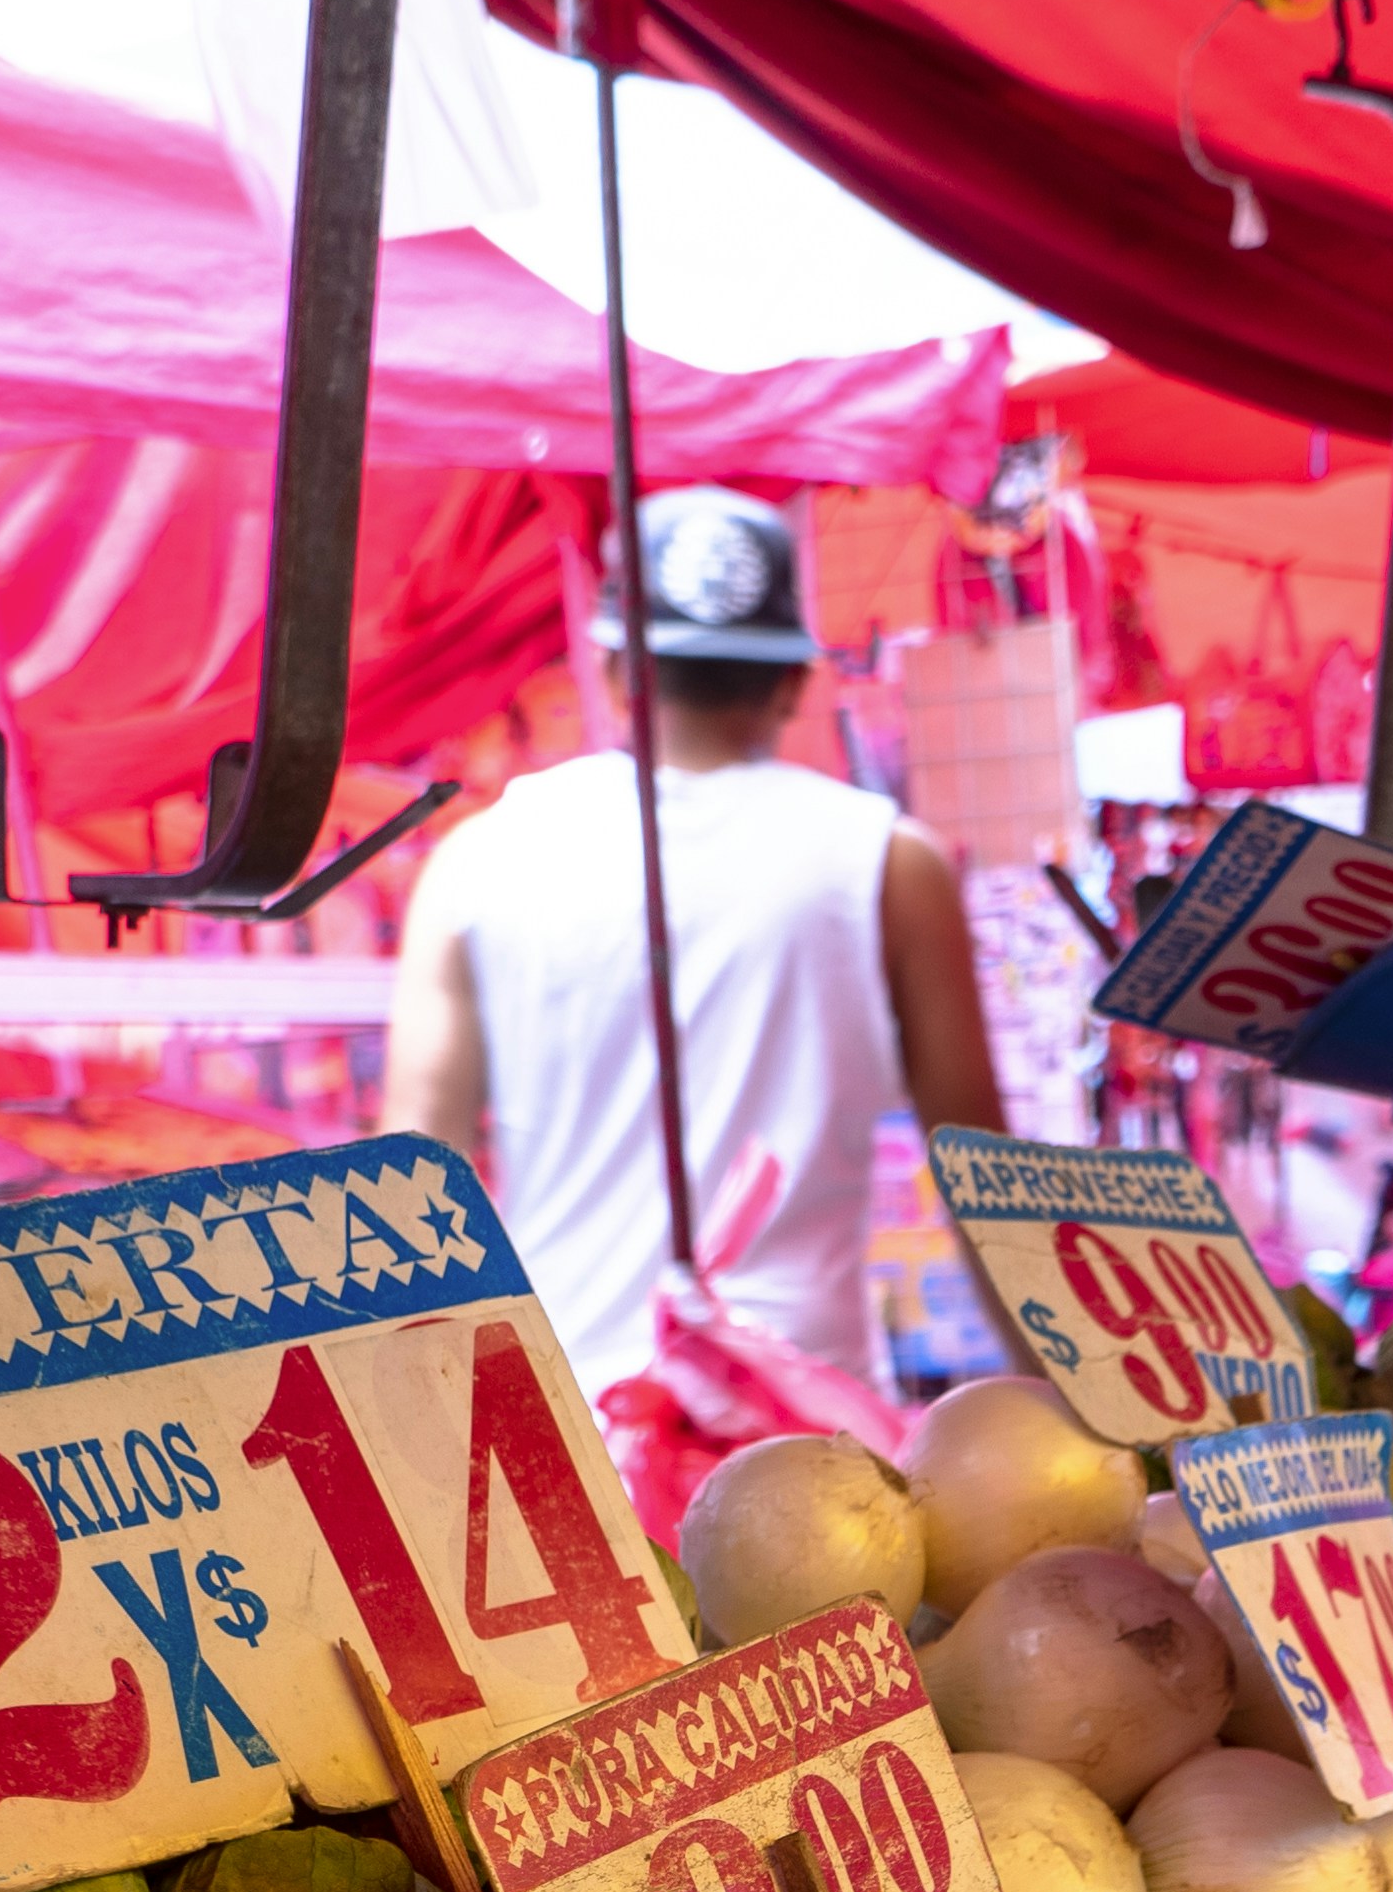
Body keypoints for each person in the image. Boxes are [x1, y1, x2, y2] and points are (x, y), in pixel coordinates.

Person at [387, 490, 1004, 1395]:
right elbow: (990, 1189)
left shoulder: (475, 864)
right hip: (814, 1461)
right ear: (795, 681)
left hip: (572, 1440)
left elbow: (407, 1209)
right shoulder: (890, 867)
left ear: (607, 670)